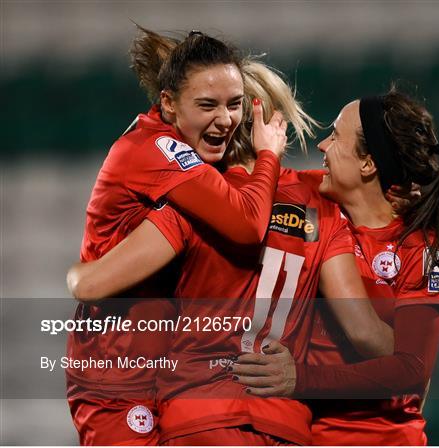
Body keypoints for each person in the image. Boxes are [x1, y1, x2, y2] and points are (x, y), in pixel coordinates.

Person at [68, 58, 396, 445]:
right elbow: (366, 334)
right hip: (283, 423)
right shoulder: (321, 210)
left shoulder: (194, 203)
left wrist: (77, 272)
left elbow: (92, 284)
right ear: (274, 127)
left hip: (201, 416)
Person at [66, 27, 293, 446]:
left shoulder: (191, 166)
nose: (224, 120)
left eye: (235, 105)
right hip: (116, 375)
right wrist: (268, 156)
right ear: (168, 103)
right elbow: (247, 226)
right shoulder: (158, 151)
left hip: (168, 376)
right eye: (207, 105)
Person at [230, 88, 439, 445]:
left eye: (336, 136)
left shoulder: (423, 250)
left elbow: (413, 371)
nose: (323, 146)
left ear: (368, 164)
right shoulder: (309, 195)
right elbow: (234, 181)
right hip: (305, 433)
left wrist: (301, 379)